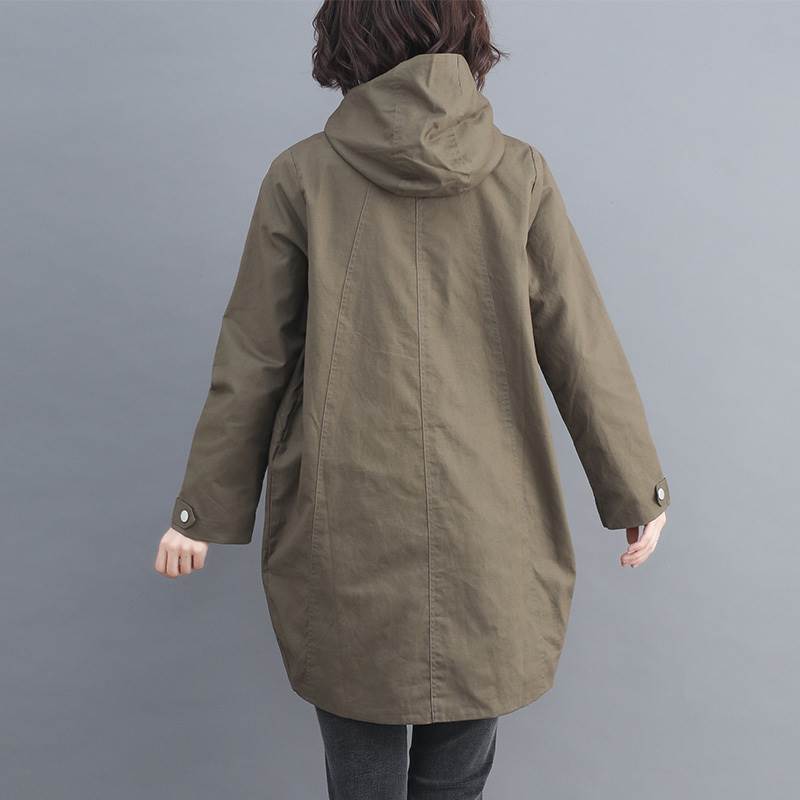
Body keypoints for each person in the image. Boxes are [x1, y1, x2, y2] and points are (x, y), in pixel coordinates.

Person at [154, 1, 670, 797]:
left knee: (360, 779)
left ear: (345, 39)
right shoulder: (519, 173)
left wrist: (199, 512)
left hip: (344, 527)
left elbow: (256, 356)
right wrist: (637, 488)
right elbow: (581, 344)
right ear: (464, 32)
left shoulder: (302, 176)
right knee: (457, 779)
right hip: (489, 527)